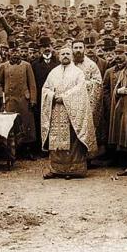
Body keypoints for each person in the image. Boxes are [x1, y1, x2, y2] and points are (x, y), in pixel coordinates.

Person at [40, 44, 97, 179]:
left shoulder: (77, 72)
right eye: (63, 54)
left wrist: (64, 97)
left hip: (72, 111)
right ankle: (56, 169)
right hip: (56, 110)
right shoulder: (53, 72)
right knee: (56, 139)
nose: (65, 56)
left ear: (71, 56)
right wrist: (52, 96)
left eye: (67, 54)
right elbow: (45, 88)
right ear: (59, 57)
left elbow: (80, 89)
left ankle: (72, 170)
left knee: (72, 139)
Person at [0, 43, 38, 159]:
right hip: (10, 100)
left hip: (24, 99)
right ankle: (12, 151)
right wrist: (1, 96)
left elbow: (32, 84)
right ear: (9, 53)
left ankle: (27, 150)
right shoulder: (3, 66)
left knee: (26, 124)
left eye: (17, 51)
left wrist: (33, 99)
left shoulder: (26, 65)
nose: (15, 53)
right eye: (12, 51)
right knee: (11, 125)